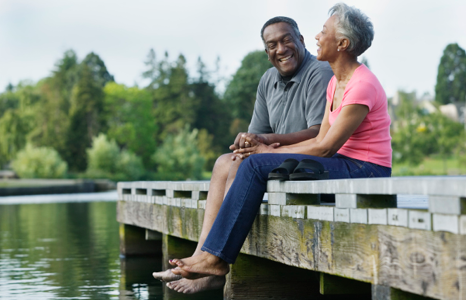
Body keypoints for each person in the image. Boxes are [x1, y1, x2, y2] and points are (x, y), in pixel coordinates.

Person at [167, 2, 392, 287]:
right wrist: (265, 151)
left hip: (366, 169)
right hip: (344, 163)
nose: (317, 37)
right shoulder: (337, 82)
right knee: (252, 162)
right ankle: (211, 257)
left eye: (324, 32)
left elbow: (325, 148)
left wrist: (264, 152)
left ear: (343, 43)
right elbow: (320, 140)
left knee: (254, 165)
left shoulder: (362, 85)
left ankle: (215, 260)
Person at [152, 16, 334, 294]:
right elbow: (257, 133)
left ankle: (214, 261)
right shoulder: (268, 80)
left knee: (242, 167)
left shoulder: (318, 71)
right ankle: (204, 255)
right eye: (272, 45)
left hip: (307, 161)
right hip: (278, 159)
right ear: (266, 52)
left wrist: (266, 141)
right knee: (226, 161)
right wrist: (248, 142)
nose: (281, 49)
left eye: (286, 40)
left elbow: (319, 134)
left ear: (301, 40)